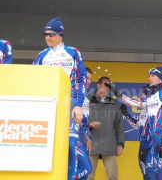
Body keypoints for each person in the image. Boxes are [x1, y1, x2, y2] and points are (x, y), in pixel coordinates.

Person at [33, 17, 87, 180]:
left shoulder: (73, 52)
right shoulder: (41, 56)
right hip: (49, 107)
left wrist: (79, 105)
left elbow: (82, 79)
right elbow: (34, 81)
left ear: (60, 35)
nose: (47, 37)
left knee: (70, 145)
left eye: (51, 34)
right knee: (50, 146)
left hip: (70, 104)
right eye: (45, 34)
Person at [107, 67, 162, 180]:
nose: (149, 78)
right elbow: (134, 104)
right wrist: (116, 93)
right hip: (153, 140)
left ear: (160, 78)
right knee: (150, 175)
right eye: (149, 76)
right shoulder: (151, 98)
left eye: (153, 76)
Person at [87, 77, 125, 180]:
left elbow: (119, 126)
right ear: (98, 85)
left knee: (113, 177)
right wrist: (89, 124)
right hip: (90, 145)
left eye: (109, 86)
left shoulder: (115, 104)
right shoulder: (87, 101)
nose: (107, 88)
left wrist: (120, 144)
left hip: (109, 145)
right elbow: (79, 121)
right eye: (105, 85)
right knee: (88, 176)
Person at [118, 85, 154, 180]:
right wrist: (126, 114)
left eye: (143, 94)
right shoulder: (144, 110)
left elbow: (153, 129)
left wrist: (146, 147)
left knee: (151, 173)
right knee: (145, 173)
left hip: (150, 144)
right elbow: (138, 125)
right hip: (143, 143)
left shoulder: (153, 110)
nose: (141, 96)